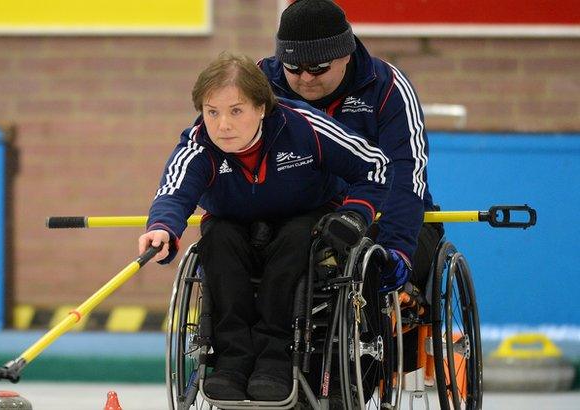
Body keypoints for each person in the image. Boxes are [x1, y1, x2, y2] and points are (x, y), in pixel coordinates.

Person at [138, 52, 391, 401]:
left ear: (261, 108)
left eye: (236, 111)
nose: (222, 125)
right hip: (235, 224)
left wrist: (356, 214)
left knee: (297, 238)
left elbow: (375, 166)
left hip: (304, 217)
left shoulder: (304, 126)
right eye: (212, 112)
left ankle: (274, 360)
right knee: (217, 239)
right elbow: (174, 191)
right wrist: (163, 227)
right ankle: (232, 363)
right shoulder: (198, 145)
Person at [259, 0, 444, 297]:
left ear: (345, 55)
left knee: (374, 266)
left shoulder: (389, 88)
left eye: (318, 68)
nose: (305, 78)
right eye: (292, 67)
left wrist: (397, 249)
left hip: (383, 216)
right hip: (299, 218)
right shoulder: (260, 85)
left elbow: (406, 176)